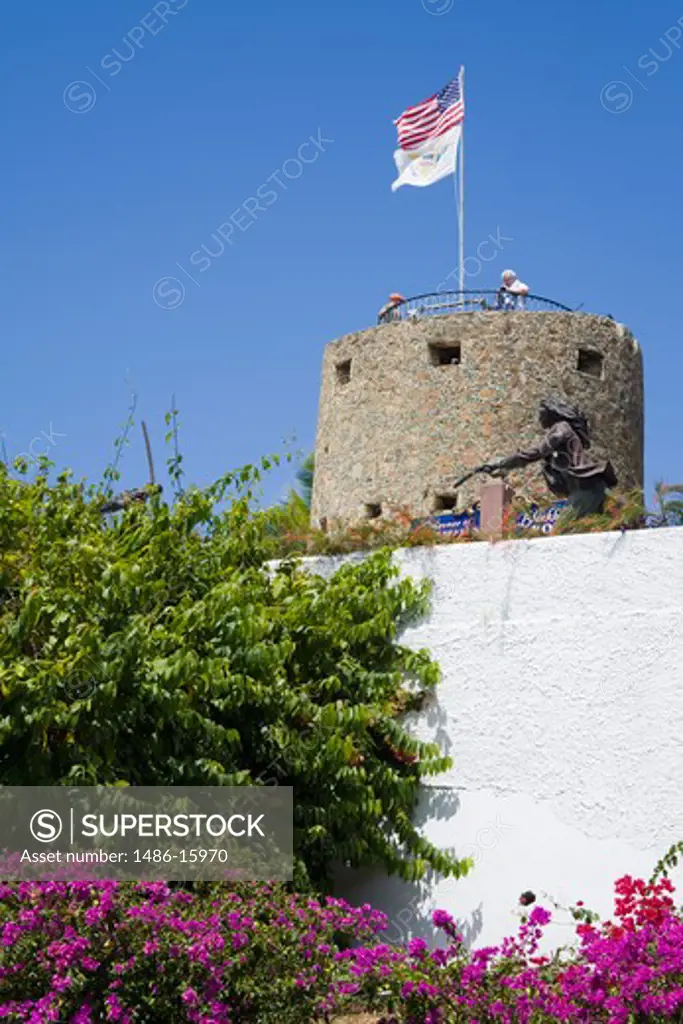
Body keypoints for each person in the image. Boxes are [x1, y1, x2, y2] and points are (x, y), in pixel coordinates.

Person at [481, 398, 618, 517]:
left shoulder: (561, 428)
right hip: (584, 488)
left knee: (565, 530)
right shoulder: (561, 429)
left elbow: (537, 452)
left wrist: (501, 463)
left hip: (586, 488)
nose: (539, 417)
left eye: (541, 412)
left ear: (551, 413)